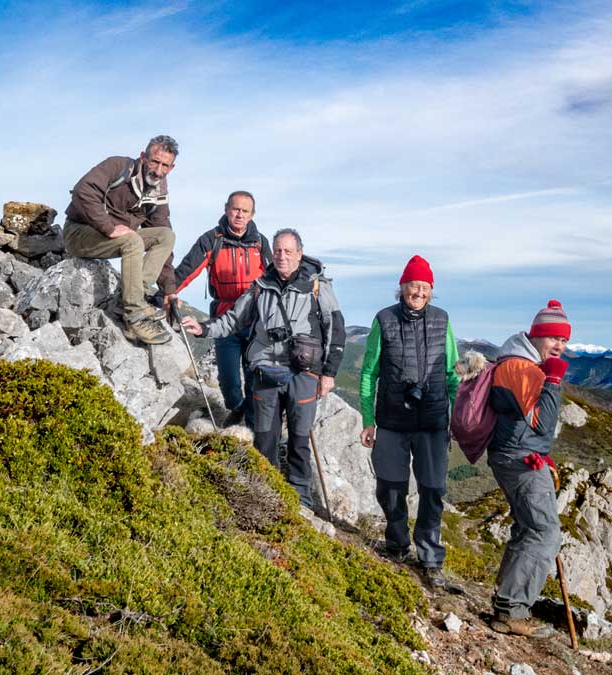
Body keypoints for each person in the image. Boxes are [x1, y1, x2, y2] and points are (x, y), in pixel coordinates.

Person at [180, 229, 345, 508]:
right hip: (265, 371)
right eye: (278, 251)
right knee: (265, 438)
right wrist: (203, 329)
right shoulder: (259, 286)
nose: (281, 256)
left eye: (288, 252)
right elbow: (233, 320)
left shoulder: (317, 286)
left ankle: (301, 499)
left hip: (303, 373)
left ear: (299, 255)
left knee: (299, 438)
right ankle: (265, 494)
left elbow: (335, 331)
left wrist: (328, 373)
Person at [358, 255, 459, 588]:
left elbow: (451, 373)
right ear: (402, 287)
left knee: (432, 490)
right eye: (413, 285)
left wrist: (457, 415)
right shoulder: (383, 319)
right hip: (391, 420)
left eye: (424, 286)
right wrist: (369, 418)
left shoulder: (442, 321)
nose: (418, 291)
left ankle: (430, 557)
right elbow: (370, 371)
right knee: (390, 488)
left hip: (432, 422)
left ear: (431, 291)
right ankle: (397, 544)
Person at [487, 299, 571, 638]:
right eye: (553, 338)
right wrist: (552, 380)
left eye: (564, 341)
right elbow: (543, 424)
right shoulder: (521, 368)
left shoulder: (522, 361)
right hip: (519, 458)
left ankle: (506, 604)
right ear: (536, 336)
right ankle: (512, 612)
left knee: (528, 528)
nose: (560, 346)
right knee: (544, 532)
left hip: (521, 453)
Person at [167, 191, 273, 426]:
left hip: (256, 322)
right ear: (226, 209)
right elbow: (186, 270)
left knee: (254, 376)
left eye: (245, 211)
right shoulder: (212, 240)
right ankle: (237, 407)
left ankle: (253, 430)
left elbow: (274, 279)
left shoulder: (261, 243)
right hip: (224, 318)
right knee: (228, 381)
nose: (239, 215)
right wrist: (166, 292)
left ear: (252, 215)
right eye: (235, 209)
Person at [63, 135, 179, 345]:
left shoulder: (158, 191)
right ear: (143, 157)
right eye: (154, 161)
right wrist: (108, 227)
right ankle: (134, 317)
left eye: (165, 165)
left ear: (171, 168)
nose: (158, 170)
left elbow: (161, 229)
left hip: (115, 237)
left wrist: (169, 290)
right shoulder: (118, 166)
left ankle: (128, 298)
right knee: (132, 240)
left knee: (165, 236)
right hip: (80, 233)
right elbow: (83, 191)